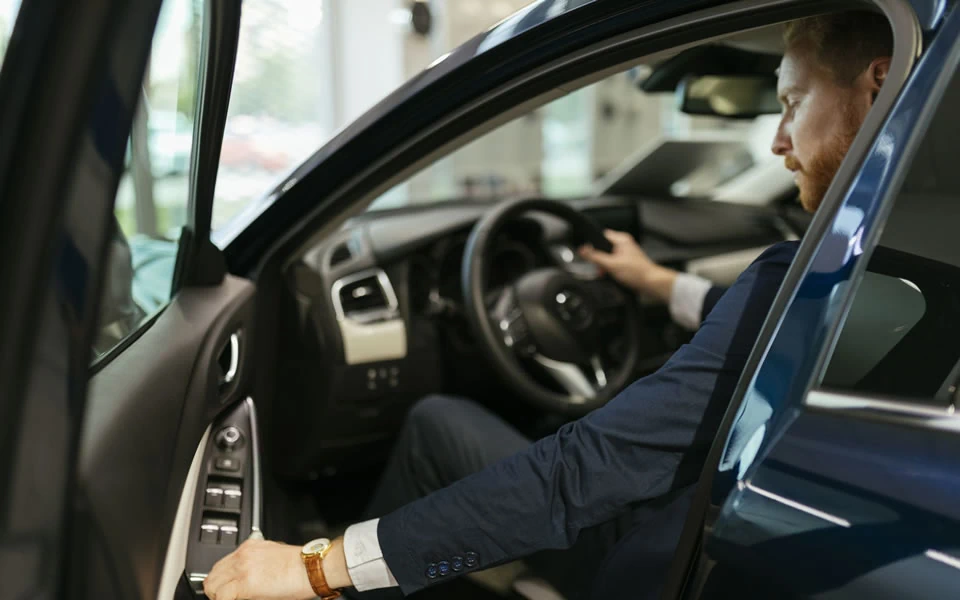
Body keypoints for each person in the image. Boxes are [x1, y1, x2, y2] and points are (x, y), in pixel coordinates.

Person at [203, 11, 893, 600]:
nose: (777, 141)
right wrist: (654, 283)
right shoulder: (887, 271)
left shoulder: (801, 275)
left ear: (879, 84)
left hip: (660, 563)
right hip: (744, 541)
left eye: (791, 104)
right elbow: (752, 334)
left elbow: (581, 473)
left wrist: (316, 568)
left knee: (437, 422)